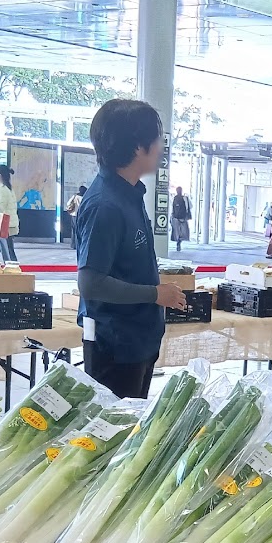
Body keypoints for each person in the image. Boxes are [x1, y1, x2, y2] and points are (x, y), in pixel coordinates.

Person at [74, 98, 186, 399]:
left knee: (129, 430)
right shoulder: (105, 205)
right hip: (115, 346)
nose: (162, 148)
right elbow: (90, 283)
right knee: (113, 435)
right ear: (138, 147)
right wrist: (155, 294)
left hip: (136, 341)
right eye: (158, 139)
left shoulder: (128, 194)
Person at [170, 186, 192, 252]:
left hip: (176, 218)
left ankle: (178, 240)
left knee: (177, 231)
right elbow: (190, 207)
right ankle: (179, 241)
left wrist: (172, 216)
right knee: (183, 231)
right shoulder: (185, 198)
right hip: (183, 218)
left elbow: (173, 208)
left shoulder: (175, 198)